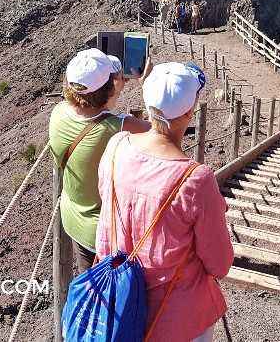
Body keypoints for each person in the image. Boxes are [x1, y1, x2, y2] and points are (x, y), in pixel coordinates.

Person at [95, 62, 233, 342]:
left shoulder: (117, 145)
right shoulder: (195, 179)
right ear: (189, 111)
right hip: (174, 316)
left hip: (114, 302)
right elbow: (220, 263)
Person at [48, 49, 152, 272]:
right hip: (104, 233)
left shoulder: (58, 113)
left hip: (73, 218)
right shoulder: (119, 126)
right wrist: (145, 87)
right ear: (109, 87)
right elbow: (162, 134)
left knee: (92, 287)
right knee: (112, 296)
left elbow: (90, 110)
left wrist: (110, 90)